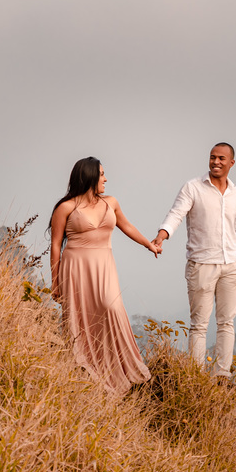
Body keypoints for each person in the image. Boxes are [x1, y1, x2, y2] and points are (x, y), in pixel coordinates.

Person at [49, 156, 157, 394]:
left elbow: (127, 226)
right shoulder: (66, 207)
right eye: (102, 174)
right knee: (81, 318)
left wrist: (148, 244)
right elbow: (56, 245)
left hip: (104, 265)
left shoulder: (111, 202)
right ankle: (86, 370)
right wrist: (55, 282)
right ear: (89, 176)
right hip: (76, 268)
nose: (106, 179)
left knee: (112, 307)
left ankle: (124, 369)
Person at [151, 142, 236, 383]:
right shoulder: (193, 187)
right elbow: (176, 214)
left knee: (226, 322)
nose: (216, 162)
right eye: (213, 157)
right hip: (202, 264)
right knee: (199, 325)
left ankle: (223, 375)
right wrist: (162, 235)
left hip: (232, 263)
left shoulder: (235, 192)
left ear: (231, 163)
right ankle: (196, 377)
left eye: (221, 158)